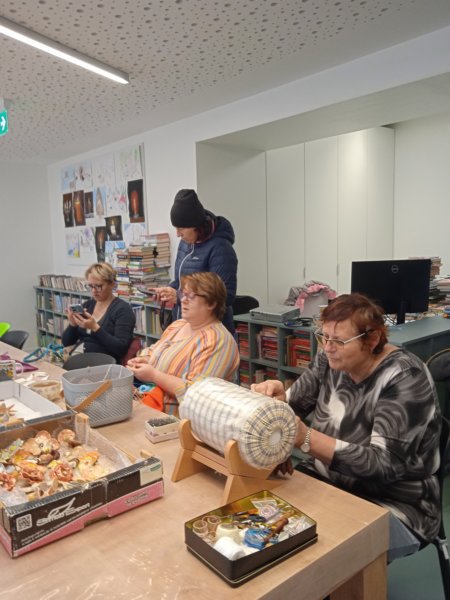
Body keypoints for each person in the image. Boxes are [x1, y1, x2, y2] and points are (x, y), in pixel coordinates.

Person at [252, 293, 441, 562]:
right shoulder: (330, 358)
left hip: (394, 502)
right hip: (326, 479)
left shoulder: (404, 376)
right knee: (263, 522)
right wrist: (279, 402)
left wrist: (304, 437)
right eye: (324, 337)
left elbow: (383, 466)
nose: (328, 347)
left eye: (339, 341)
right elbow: (292, 411)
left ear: (372, 339)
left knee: (309, 556)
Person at [127, 272, 240, 408]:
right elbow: (152, 351)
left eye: (191, 296)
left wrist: (154, 376)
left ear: (211, 303)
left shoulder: (218, 341)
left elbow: (197, 394)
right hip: (150, 403)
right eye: (183, 294)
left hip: (178, 417)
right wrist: (143, 360)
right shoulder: (178, 325)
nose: (183, 300)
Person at [154, 189, 238, 334]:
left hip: (210, 331)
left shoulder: (220, 248)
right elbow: (180, 282)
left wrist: (179, 296)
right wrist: (168, 290)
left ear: (195, 225)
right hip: (185, 326)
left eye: (181, 228)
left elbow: (225, 296)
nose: (177, 234)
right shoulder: (185, 243)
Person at [62, 262, 136, 363]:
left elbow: (120, 348)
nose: (94, 291)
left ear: (112, 284)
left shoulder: (123, 310)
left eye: (98, 286)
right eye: (90, 286)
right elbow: (67, 343)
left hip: (104, 363)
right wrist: (72, 325)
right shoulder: (88, 305)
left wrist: (95, 328)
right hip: (81, 358)